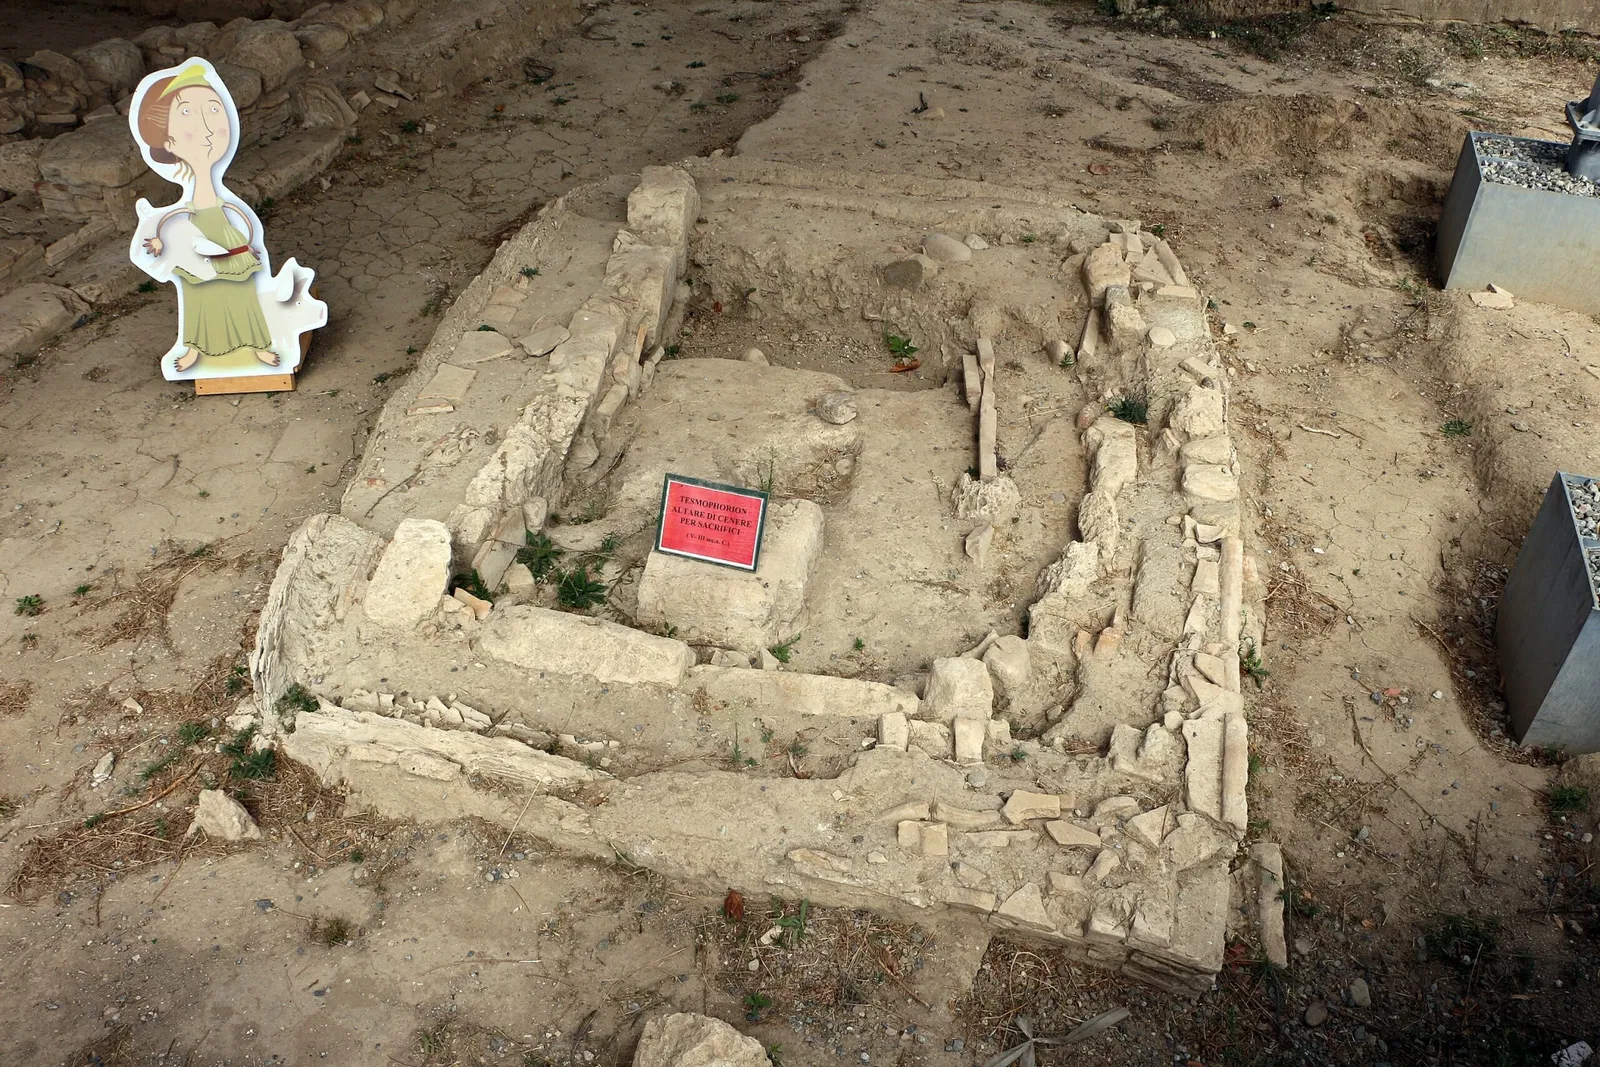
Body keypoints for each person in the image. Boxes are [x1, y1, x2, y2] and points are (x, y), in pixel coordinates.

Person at [133, 63, 278, 373]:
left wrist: (251, 241)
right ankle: (195, 349)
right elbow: (171, 219)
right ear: (168, 142)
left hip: (225, 234)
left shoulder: (225, 198)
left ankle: (258, 345)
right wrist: (159, 239)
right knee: (197, 292)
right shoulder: (185, 205)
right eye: (187, 114)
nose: (207, 127)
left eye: (213, 109)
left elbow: (238, 213)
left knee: (242, 290)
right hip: (195, 234)